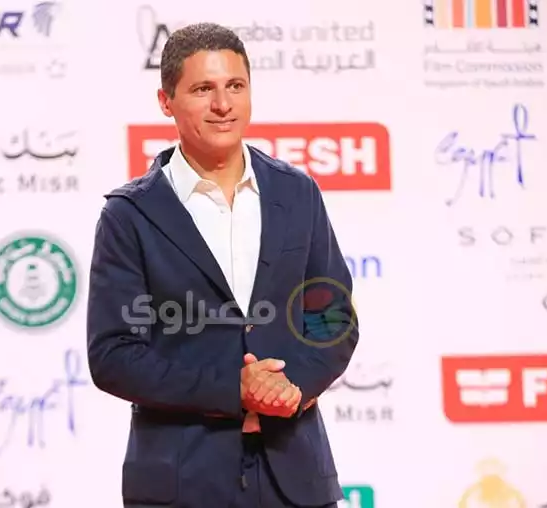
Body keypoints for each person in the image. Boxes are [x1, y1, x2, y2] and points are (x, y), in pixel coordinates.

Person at [87, 22, 358, 508]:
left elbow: (332, 316)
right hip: (181, 482)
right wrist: (233, 391)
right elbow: (113, 355)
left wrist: (291, 388)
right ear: (166, 101)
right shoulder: (129, 215)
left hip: (295, 477)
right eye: (202, 89)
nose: (223, 104)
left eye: (235, 86)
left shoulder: (297, 193)